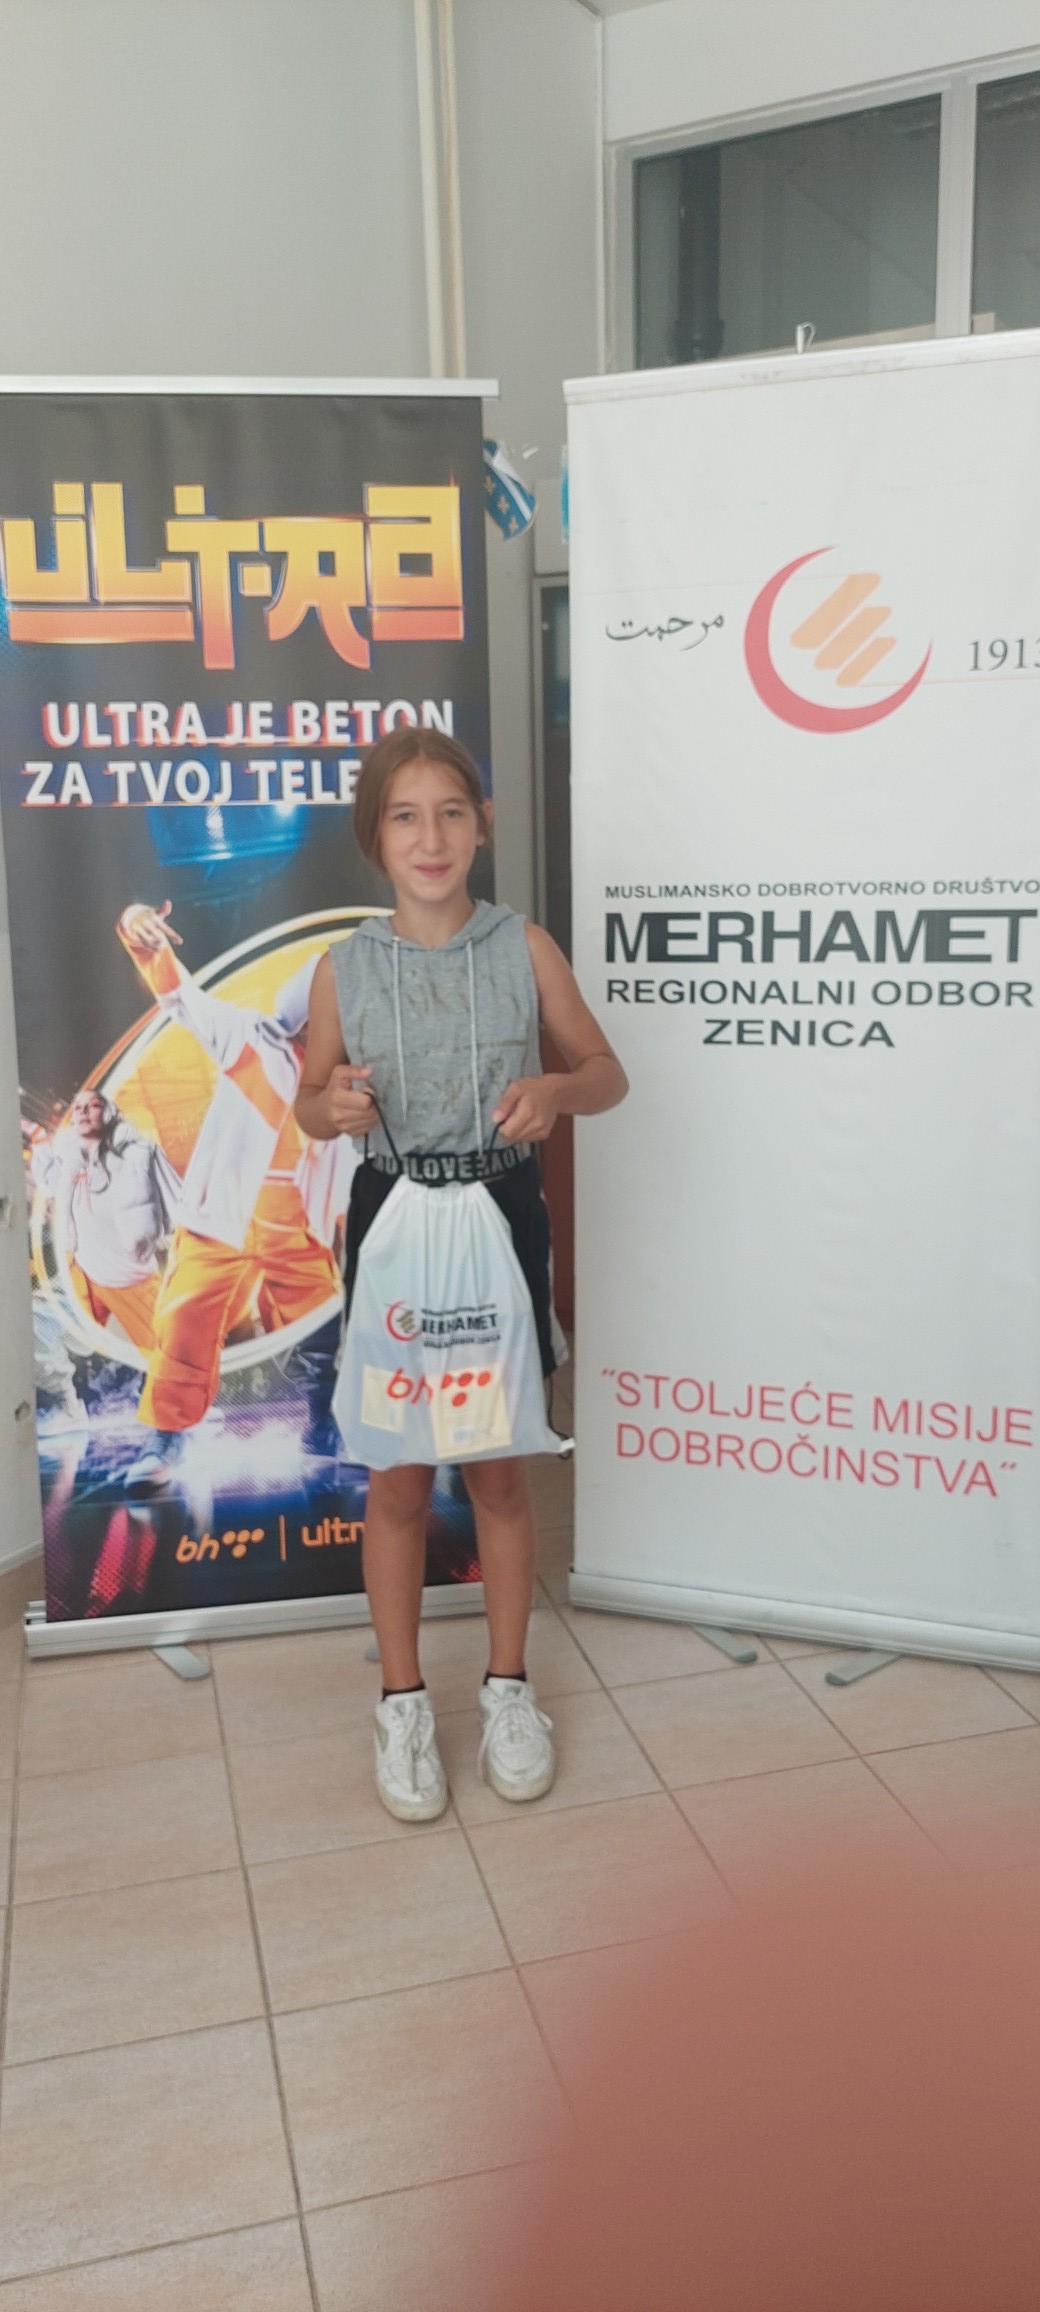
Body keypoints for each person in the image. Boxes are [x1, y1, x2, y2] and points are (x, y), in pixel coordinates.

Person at [296, 727, 627, 1822]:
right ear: (374, 837)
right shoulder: (342, 966)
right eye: (404, 815)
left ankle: (507, 1691)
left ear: (481, 826)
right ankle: (400, 1703)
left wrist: (556, 1093)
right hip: (394, 1221)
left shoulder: (522, 945)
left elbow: (605, 1072)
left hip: (498, 1215)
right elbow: (308, 1101)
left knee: (494, 1469)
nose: (429, 836)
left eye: (449, 812)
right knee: (398, 1476)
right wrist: (333, 1105)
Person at [115, 910, 345, 1483]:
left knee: (323, 1328)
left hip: (298, 1226)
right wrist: (141, 935)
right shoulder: (250, 1037)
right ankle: (166, 1440)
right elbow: (181, 998)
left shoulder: (353, 1071)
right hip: (220, 1219)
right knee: (183, 1322)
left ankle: (324, 1426)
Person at [31, 1088, 177, 1354]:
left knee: (168, 1349)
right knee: (48, 1330)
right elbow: (52, 1182)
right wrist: (41, 1146)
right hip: (81, 1266)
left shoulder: (138, 1154)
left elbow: (176, 1210)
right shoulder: (72, 1157)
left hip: (127, 1277)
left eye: (93, 1105)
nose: (83, 1112)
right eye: (78, 1107)